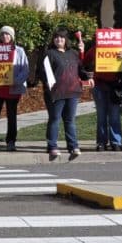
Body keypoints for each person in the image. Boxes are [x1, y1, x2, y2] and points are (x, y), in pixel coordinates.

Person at [38, 28, 89, 162]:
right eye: (56, 37)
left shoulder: (73, 53)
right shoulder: (49, 54)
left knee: (70, 120)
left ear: (66, 40)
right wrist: (50, 86)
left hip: (72, 92)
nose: (58, 39)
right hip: (56, 92)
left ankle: (73, 146)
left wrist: (82, 53)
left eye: (61, 37)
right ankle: (52, 146)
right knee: (55, 119)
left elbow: (82, 70)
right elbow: (43, 72)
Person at [0, 25, 29, 152]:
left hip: (13, 90)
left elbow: (25, 69)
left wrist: (16, 81)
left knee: (11, 116)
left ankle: (11, 141)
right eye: (2, 34)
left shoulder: (19, 51)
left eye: (7, 34)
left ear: (12, 36)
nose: (5, 36)